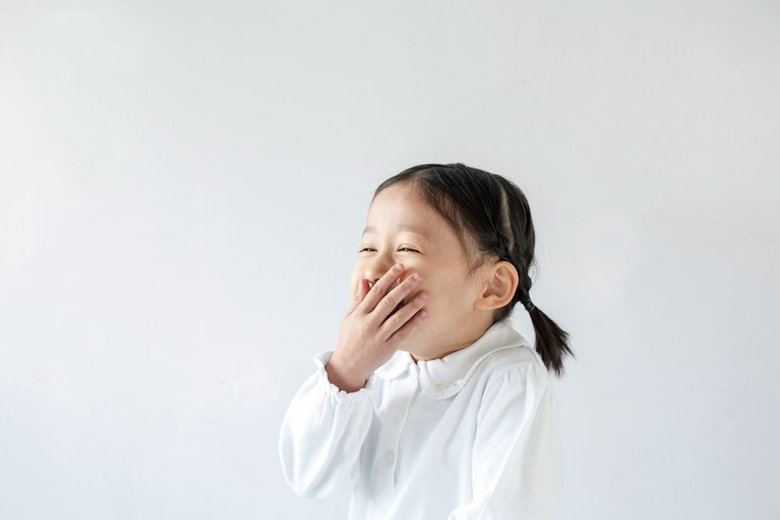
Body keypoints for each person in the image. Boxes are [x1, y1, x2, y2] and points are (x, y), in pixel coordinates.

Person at [278, 162, 574, 519]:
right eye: (368, 248)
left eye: (407, 249)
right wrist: (346, 370)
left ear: (493, 287)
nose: (374, 269)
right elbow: (309, 477)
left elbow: (507, 510)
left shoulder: (509, 379)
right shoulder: (379, 371)